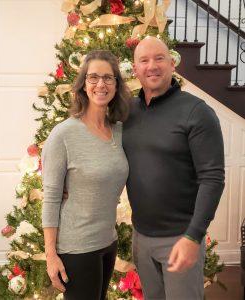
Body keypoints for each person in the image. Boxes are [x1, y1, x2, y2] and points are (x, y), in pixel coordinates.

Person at [122, 37, 225, 300]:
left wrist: (193, 236)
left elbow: (212, 178)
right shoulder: (127, 112)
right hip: (140, 237)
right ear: (135, 69)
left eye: (159, 58)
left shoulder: (197, 112)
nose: (152, 66)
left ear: (172, 63)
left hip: (180, 238)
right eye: (144, 60)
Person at [42, 50, 131, 300]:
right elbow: (50, 198)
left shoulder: (119, 131)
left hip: (108, 242)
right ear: (83, 84)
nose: (100, 84)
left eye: (108, 78)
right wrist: (51, 256)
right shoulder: (64, 135)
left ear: (116, 84)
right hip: (77, 248)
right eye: (93, 77)